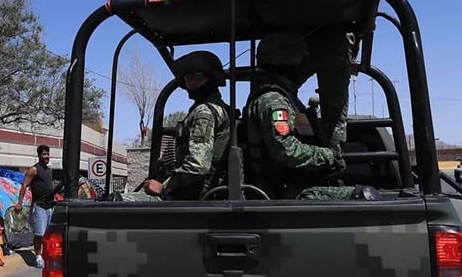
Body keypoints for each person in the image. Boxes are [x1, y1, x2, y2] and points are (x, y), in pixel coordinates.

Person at [245, 33, 378, 201]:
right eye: (300, 59)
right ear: (287, 60)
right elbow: (286, 150)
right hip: (284, 192)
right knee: (364, 195)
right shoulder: (273, 100)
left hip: (295, 187)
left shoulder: (287, 98)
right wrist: (328, 156)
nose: (304, 64)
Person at [270, 0, 360, 156]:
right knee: (335, 115)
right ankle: (332, 162)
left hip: (293, 53)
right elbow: (362, 15)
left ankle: (285, 152)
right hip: (336, 50)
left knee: (276, 99)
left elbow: (268, 10)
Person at [141, 51, 230, 200]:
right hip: (195, 191)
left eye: (197, 76)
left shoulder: (205, 112)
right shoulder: (211, 109)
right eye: (187, 77)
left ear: (211, 78)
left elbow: (198, 165)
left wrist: (164, 187)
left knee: (118, 203)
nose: (190, 82)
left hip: (195, 193)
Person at [14, 145, 54, 269]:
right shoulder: (33, 170)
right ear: (39, 155)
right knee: (39, 233)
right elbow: (24, 186)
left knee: (48, 234)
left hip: (49, 206)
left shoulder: (49, 171)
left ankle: (46, 255)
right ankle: (38, 256)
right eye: (44, 154)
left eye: (47, 154)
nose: (46, 156)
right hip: (39, 206)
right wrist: (19, 203)